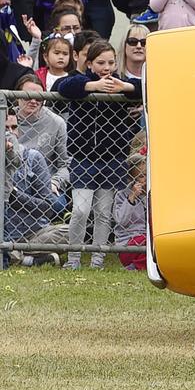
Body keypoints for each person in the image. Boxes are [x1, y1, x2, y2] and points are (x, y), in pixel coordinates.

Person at [55, 40, 142, 269]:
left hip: (112, 159)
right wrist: (93, 87)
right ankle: (73, 258)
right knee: (81, 210)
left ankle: (97, 259)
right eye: (101, 63)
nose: (107, 68)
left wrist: (125, 88)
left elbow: (144, 88)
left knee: (104, 212)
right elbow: (64, 87)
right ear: (90, 63)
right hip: (84, 158)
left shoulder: (120, 83)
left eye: (111, 62)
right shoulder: (81, 81)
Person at [3, 112, 66, 268]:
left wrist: (15, 197)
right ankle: (28, 260)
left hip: (32, 235)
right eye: (5, 128)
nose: (10, 133)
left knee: (73, 230)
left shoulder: (33, 157)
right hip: (3, 232)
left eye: (14, 128)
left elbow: (48, 207)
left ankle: (14, 254)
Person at [16, 78, 70, 199]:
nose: (33, 101)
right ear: (17, 96)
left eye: (39, 97)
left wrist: (55, 182)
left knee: (56, 203)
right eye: (28, 96)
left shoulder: (56, 122)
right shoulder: (6, 118)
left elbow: (65, 164)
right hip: (13, 180)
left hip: (44, 183)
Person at [113, 152, 148, 271]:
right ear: (132, 179)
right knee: (153, 242)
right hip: (129, 243)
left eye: (148, 174)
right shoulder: (122, 194)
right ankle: (135, 266)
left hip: (150, 239)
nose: (146, 179)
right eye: (141, 176)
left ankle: (143, 264)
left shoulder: (154, 194)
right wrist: (131, 197)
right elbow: (121, 221)